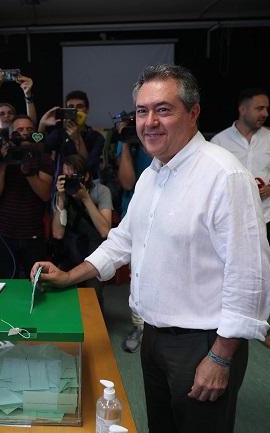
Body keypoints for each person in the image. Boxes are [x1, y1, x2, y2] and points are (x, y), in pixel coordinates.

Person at [31, 64, 270, 433]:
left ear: (193, 113)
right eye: (142, 111)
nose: (149, 122)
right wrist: (69, 276)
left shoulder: (225, 176)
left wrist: (221, 357)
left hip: (204, 343)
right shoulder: (152, 174)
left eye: (163, 109)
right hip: (155, 337)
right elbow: (123, 240)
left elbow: (250, 276)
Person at [211, 88, 270, 350]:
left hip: (265, 217)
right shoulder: (220, 141)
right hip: (232, 223)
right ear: (242, 109)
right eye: (260, 108)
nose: (265, 113)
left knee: (263, 271)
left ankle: (262, 325)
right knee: (229, 272)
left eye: (267, 109)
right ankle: (225, 323)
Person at [0, 115, 53, 278]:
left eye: (29, 130)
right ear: (11, 135)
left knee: (36, 279)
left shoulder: (42, 157)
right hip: (4, 234)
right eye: (19, 130)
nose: (24, 134)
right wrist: (3, 163)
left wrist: (28, 172)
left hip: (33, 234)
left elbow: (45, 195)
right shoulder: (0, 157)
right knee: (8, 279)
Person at [115, 115, 152, 353]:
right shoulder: (126, 141)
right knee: (138, 273)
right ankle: (139, 327)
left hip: (165, 213)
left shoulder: (159, 140)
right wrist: (127, 142)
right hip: (135, 214)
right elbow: (127, 183)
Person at [52, 154, 112, 304]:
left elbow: (105, 231)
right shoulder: (61, 194)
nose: (70, 180)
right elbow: (57, 234)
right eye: (66, 177)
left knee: (93, 300)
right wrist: (61, 198)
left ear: (86, 176)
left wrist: (85, 198)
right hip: (70, 252)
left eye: (74, 176)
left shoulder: (101, 191)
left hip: (94, 255)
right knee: (67, 299)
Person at [40, 90, 105, 178]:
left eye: (79, 106)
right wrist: (42, 125)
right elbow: (40, 147)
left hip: (87, 184)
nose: (75, 110)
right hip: (62, 183)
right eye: (71, 107)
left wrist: (77, 139)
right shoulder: (59, 134)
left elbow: (89, 166)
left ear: (87, 110)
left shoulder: (96, 137)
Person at [0, 67, 36, 155]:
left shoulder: (21, 138)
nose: (6, 116)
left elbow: (31, 122)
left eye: (10, 113)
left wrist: (28, 94)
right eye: (1, 114)